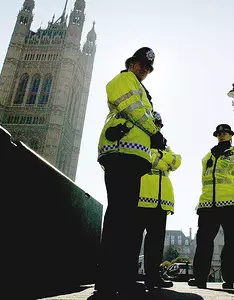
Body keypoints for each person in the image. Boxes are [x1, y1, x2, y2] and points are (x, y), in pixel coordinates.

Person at [94, 47, 167, 298]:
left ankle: (120, 276)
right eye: (141, 65)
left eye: (147, 68)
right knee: (118, 217)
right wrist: (154, 132)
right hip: (120, 152)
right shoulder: (124, 79)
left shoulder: (141, 88)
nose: (144, 70)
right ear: (131, 64)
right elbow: (134, 110)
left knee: (125, 219)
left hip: (132, 157)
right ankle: (107, 278)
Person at [189, 124, 234, 290]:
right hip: (207, 204)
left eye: (225, 133)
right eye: (219, 134)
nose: (222, 136)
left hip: (231, 204)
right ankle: (200, 278)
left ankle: (229, 278)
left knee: (232, 241)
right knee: (203, 241)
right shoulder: (207, 157)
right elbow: (205, 181)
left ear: (231, 135)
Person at [134, 111, 181, 290]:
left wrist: (160, 156)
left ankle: (153, 277)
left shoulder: (164, 145)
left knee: (156, 242)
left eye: (158, 125)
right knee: (134, 239)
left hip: (162, 200)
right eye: (154, 124)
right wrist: (162, 158)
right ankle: (130, 276)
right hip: (141, 196)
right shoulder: (140, 139)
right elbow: (148, 158)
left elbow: (177, 161)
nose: (157, 128)